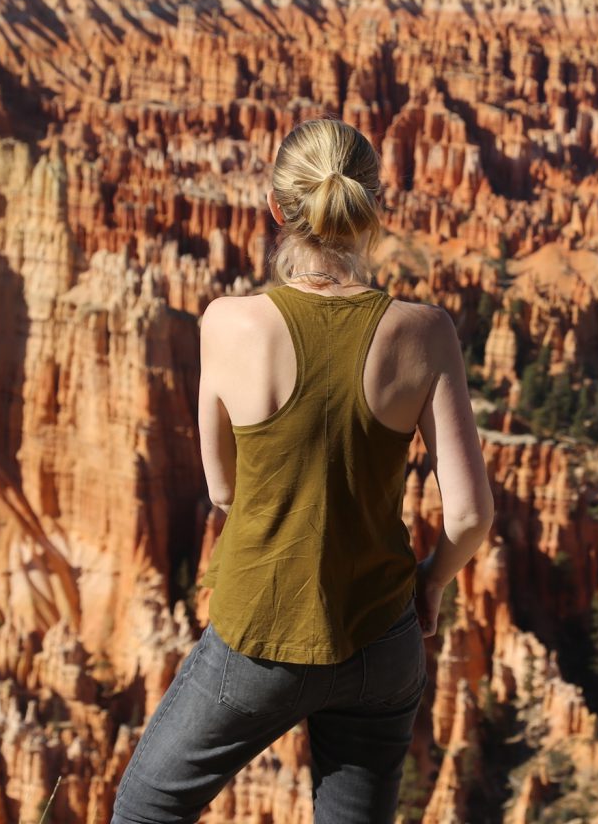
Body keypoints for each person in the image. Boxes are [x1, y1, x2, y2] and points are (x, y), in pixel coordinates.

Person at [111, 118, 494, 824]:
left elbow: (223, 490)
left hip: (257, 640)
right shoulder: (424, 332)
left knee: (142, 810)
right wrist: (430, 583)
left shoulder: (228, 322)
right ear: (372, 208)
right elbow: (470, 517)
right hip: (381, 640)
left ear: (272, 208)